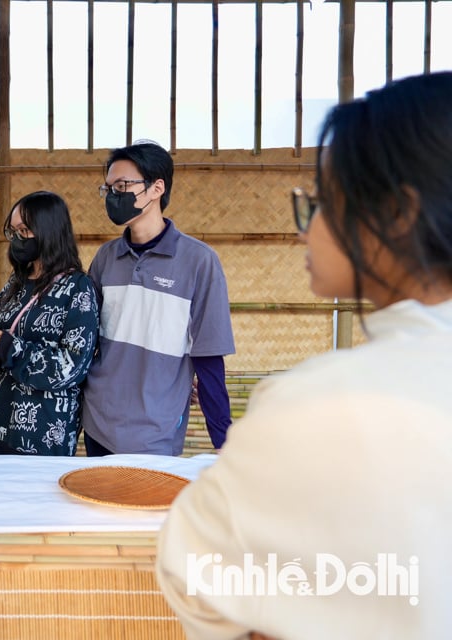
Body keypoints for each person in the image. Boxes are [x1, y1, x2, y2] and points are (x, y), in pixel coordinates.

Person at [156, 71, 452, 639]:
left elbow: (193, 566)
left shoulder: (320, 404)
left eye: (319, 203)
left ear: (396, 213)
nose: (304, 231)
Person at [80, 141, 235, 456]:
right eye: (108, 188)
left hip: (155, 433)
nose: (112, 195)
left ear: (156, 188)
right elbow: (85, 336)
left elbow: (208, 355)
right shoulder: (106, 258)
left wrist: (223, 439)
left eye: (122, 186)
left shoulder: (199, 262)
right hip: (97, 423)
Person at [0, 191, 99, 455]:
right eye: (13, 231)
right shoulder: (16, 283)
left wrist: (11, 350)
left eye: (24, 230)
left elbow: (72, 366)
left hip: (43, 436)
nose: (17, 238)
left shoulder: (77, 288)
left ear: (48, 231)